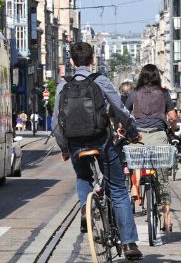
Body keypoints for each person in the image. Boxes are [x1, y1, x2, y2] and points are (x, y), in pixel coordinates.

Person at [52, 42, 143, 260]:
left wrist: (65, 148)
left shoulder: (62, 85)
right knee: (119, 189)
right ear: (92, 60)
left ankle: (85, 207)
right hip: (101, 142)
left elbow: (56, 123)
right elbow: (120, 110)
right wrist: (133, 133)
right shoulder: (100, 81)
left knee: (83, 175)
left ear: (72, 62)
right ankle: (129, 243)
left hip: (75, 144)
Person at [125, 64, 178, 233]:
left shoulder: (134, 93)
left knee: (135, 161)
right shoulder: (164, 93)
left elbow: (124, 112)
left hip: (138, 136)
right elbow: (172, 116)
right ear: (157, 77)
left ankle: (135, 185)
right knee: (162, 177)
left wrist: (123, 127)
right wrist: (174, 126)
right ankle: (167, 217)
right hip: (158, 136)